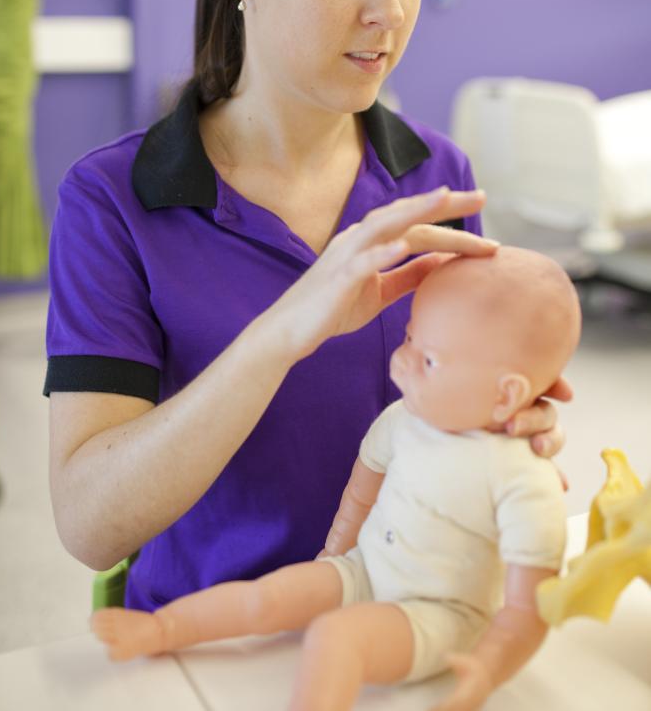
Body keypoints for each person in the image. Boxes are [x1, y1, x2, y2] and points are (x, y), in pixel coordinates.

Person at [45, 0, 570, 614]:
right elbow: (90, 524)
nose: (388, 11)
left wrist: (504, 427)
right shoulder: (112, 202)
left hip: (405, 625)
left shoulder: (437, 172)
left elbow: (446, 419)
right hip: (208, 643)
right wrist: (287, 330)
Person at [90, 246, 580, 711]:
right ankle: (160, 631)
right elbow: (361, 491)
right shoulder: (402, 420)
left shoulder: (525, 480)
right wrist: (335, 555)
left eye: (429, 359)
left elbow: (528, 606)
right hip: (365, 569)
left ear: (506, 395)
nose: (404, 361)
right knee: (270, 595)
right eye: (409, 337)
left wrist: (486, 669)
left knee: (335, 638)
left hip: (440, 614)